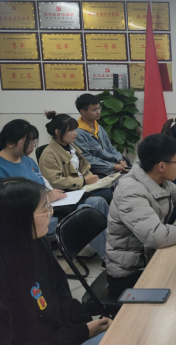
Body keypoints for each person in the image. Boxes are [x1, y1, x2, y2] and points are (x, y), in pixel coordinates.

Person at [0, 178, 112, 345]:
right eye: (44, 208)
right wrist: (82, 332)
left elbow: (62, 294)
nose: (50, 213)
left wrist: (84, 327)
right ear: (18, 219)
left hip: (63, 335)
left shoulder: (37, 242)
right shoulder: (6, 276)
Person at [106, 134, 176, 296]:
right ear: (161, 166)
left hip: (151, 257)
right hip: (131, 274)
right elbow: (158, 237)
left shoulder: (156, 177)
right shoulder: (131, 192)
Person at [0, 119, 110, 260]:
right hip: (32, 217)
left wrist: (52, 192)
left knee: (97, 201)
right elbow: (9, 204)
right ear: (9, 143)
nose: (32, 146)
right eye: (27, 143)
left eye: (34, 142)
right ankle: (110, 259)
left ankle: (115, 247)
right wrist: (45, 197)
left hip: (50, 205)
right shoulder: (2, 167)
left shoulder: (27, 160)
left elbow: (42, 180)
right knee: (85, 213)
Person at [39, 111, 112, 205]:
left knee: (115, 187)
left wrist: (91, 178)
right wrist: (83, 181)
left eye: (75, 129)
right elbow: (55, 181)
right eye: (71, 130)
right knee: (108, 194)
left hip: (82, 187)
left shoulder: (72, 146)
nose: (75, 133)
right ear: (57, 132)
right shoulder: (48, 154)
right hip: (69, 193)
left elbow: (84, 167)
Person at [75, 93, 129, 177]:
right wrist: (113, 166)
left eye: (99, 108)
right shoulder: (78, 133)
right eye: (94, 110)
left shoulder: (99, 127)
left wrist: (120, 161)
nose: (99, 112)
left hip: (112, 167)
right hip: (98, 172)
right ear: (82, 112)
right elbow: (87, 159)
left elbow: (110, 147)